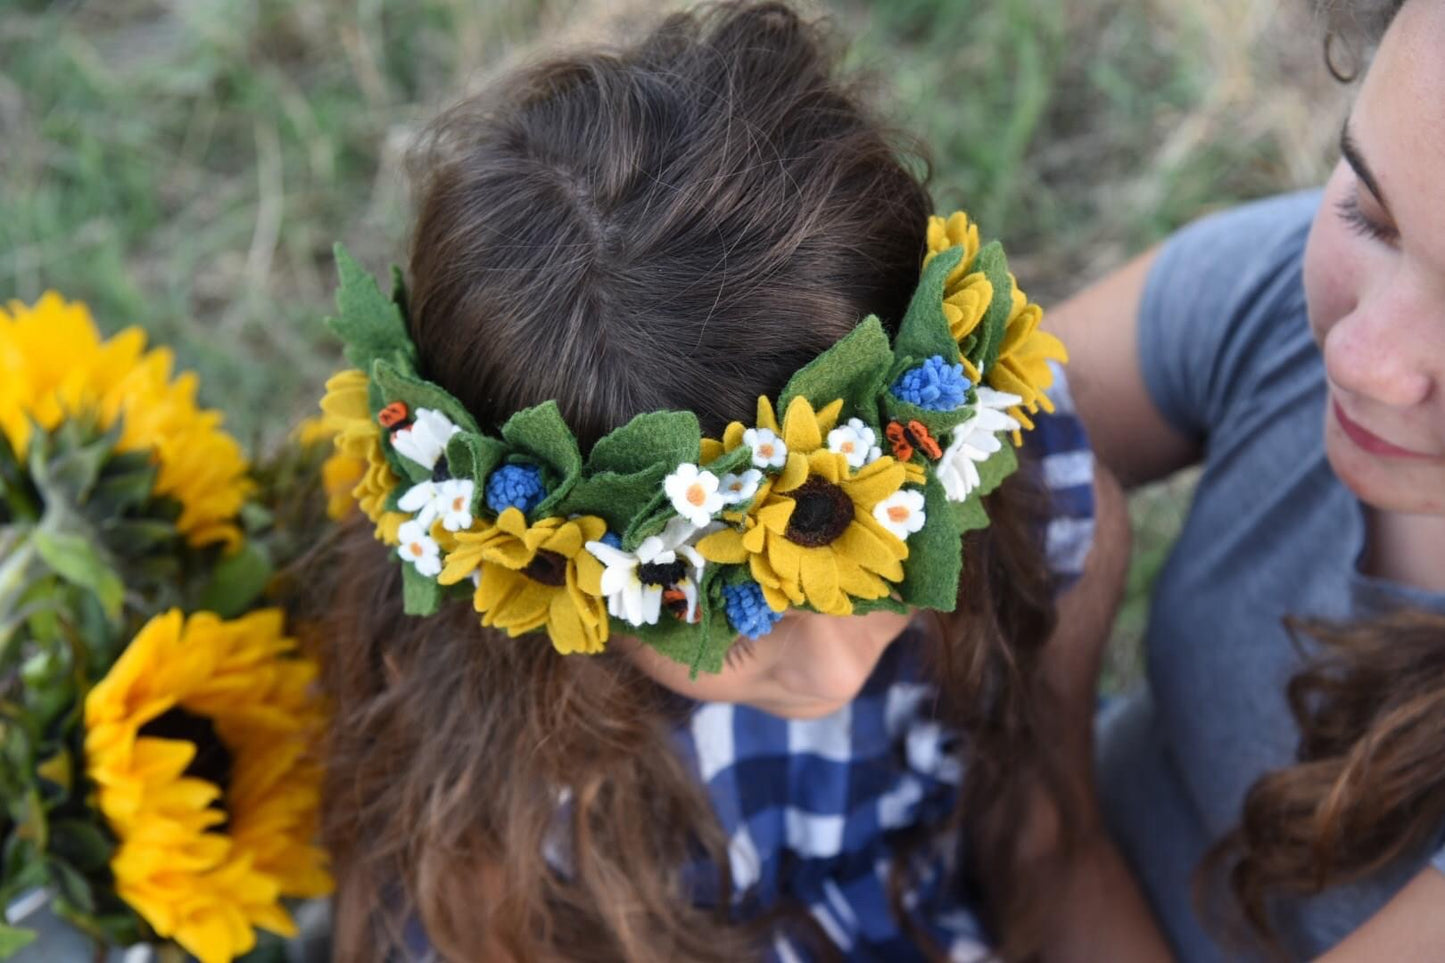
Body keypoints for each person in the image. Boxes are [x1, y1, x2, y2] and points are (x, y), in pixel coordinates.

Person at [309, 2, 1126, 961]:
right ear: (546, 570)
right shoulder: (491, 758)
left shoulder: (1040, 519)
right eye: (733, 610)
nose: (833, 669)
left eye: (880, 549)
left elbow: (1048, 844)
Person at [1046, 0, 1445, 959]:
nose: (1356, 355)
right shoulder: (1276, 291)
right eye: (1369, 214)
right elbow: (953, 435)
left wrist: (1045, 832)